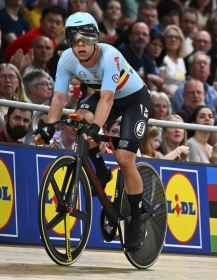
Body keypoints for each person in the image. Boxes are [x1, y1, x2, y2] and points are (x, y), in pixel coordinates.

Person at [33, 12, 151, 250]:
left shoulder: (110, 56)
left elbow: (107, 98)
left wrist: (97, 128)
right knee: (78, 121)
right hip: (105, 98)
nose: (80, 46)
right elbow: (59, 95)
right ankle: (101, 171)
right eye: (75, 41)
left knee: (124, 158)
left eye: (85, 40)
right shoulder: (66, 59)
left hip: (133, 101)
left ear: (95, 39)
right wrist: (49, 123)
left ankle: (138, 220)